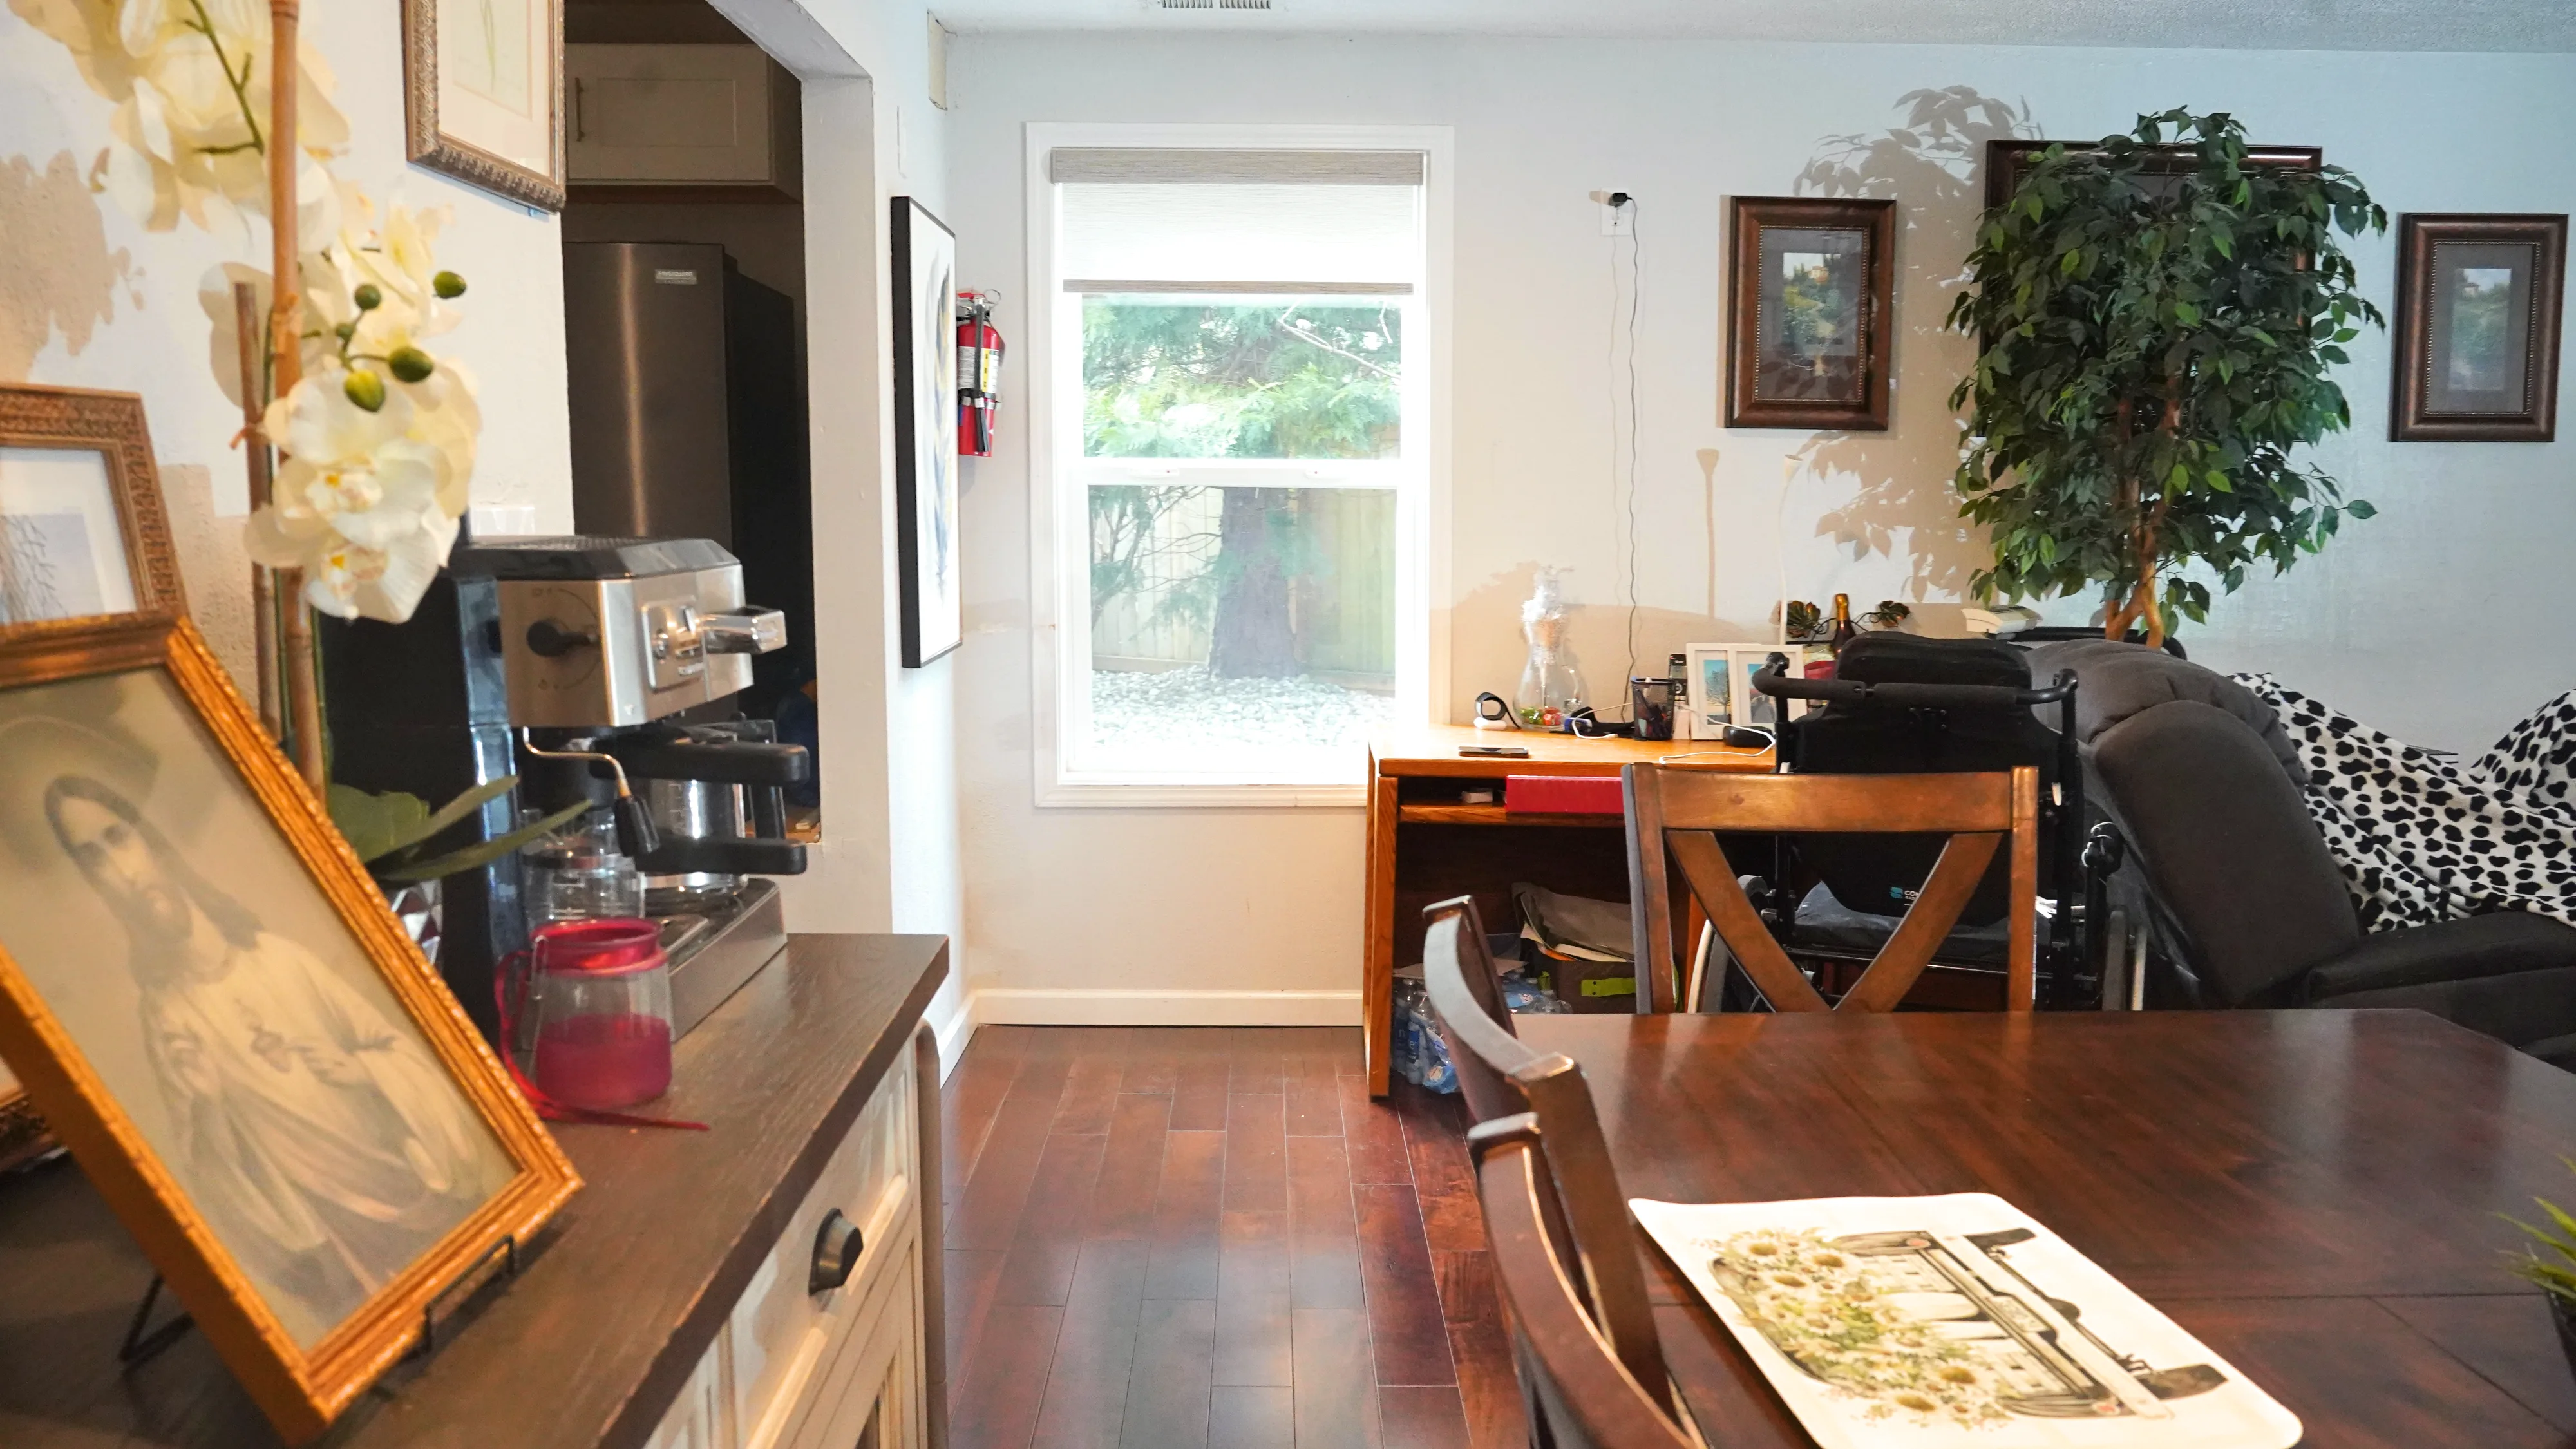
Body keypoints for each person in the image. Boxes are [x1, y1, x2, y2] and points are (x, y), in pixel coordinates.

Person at [43, 773, 506, 1333]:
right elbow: (212, 1186)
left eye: (119, 839)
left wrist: (363, 1071)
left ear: (151, 841)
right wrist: (210, 1106)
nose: (121, 873)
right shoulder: (167, 1022)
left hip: (421, 1194)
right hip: (347, 1248)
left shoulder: (280, 960)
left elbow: (404, 1056)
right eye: (93, 860)